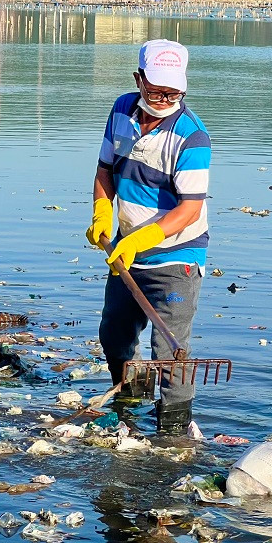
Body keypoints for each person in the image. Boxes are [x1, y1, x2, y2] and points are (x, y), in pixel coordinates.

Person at [86, 39, 211, 433]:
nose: (164, 98)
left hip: (176, 257)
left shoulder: (191, 137)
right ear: (138, 79)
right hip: (124, 251)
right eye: (156, 89)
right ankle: (131, 407)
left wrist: (143, 239)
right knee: (115, 333)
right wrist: (102, 212)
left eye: (173, 91)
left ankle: (174, 431)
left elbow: (189, 208)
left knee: (170, 348)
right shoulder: (122, 109)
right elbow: (105, 170)